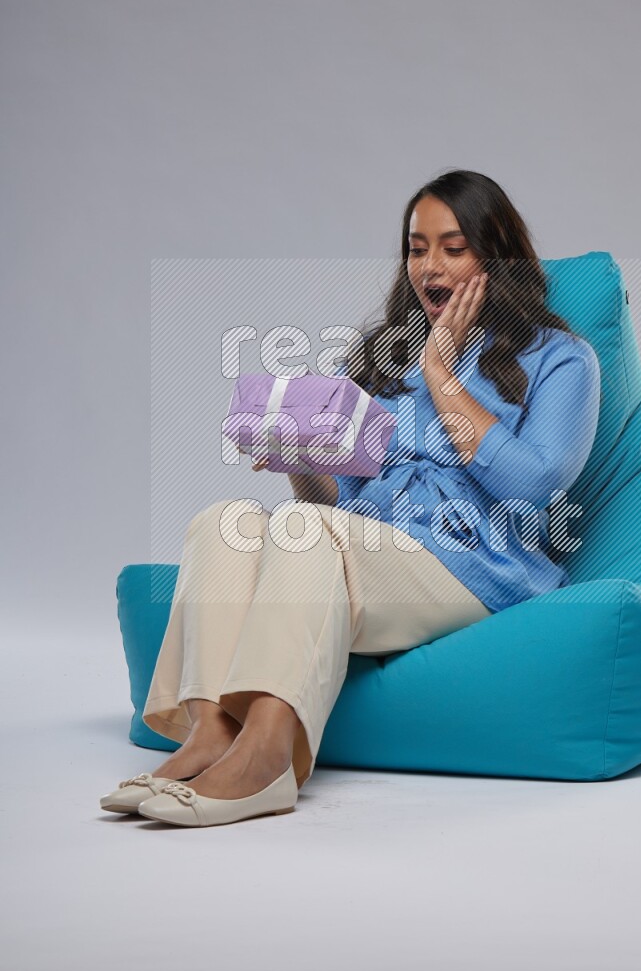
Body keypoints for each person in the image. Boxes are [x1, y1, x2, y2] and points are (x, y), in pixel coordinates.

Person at [99, 169, 602, 827]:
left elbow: (535, 484)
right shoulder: (381, 359)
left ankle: (266, 760)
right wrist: (302, 457)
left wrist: (443, 375)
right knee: (224, 521)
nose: (430, 265)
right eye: (417, 248)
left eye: (453, 247)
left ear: (496, 255)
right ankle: (210, 735)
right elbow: (337, 505)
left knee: (307, 533)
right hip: (371, 553)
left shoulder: (560, 358)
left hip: (476, 565)